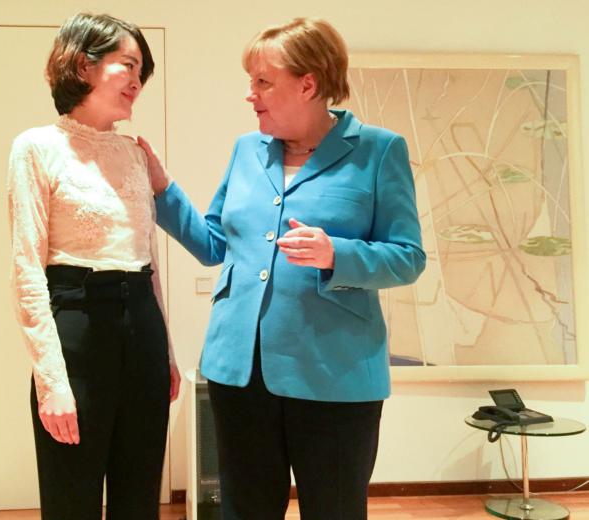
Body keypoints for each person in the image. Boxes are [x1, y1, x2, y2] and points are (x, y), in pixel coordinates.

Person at [139, 17, 425, 520]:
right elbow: (214, 244)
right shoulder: (247, 150)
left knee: (335, 510)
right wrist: (163, 190)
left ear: (308, 84)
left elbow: (408, 257)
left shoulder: (380, 151)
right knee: (244, 510)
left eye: (262, 82)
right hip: (239, 371)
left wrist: (337, 253)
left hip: (335, 375)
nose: (250, 95)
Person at [7, 13, 180, 520]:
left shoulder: (135, 154)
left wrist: (166, 351)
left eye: (142, 71)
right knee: (71, 497)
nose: (137, 80)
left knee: (139, 496)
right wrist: (50, 380)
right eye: (128, 64)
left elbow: (148, 258)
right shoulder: (36, 147)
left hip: (142, 327)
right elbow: (26, 269)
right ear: (83, 65)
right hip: (76, 328)